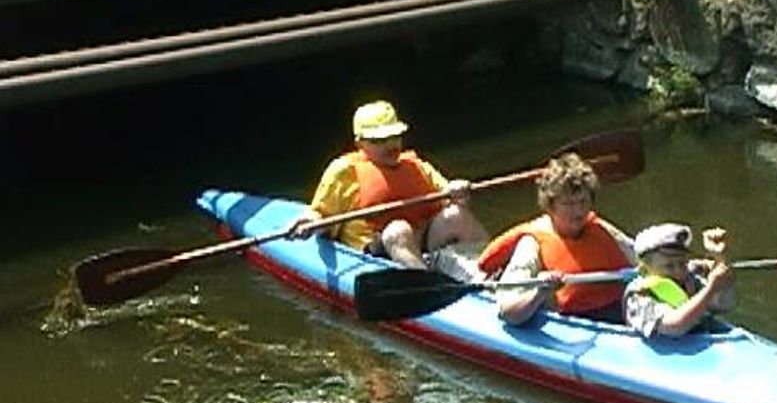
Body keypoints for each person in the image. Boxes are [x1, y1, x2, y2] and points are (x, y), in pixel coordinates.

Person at [289, 99, 487, 270]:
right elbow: (322, 215)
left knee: (456, 215)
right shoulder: (344, 171)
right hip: (378, 252)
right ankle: (427, 283)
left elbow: (451, 198)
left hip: (423, 243)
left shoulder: (416, 165)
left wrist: (458, 192)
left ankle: (489, 269)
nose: (390, 145)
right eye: (379, 141)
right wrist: (309, 222)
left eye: (394, 137)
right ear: (360, 144)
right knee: (398, 230)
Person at [477, 152, 635, 325]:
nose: (578, 212)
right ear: (550, 206)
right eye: (568, 204)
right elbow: (509, 312)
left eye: (583, 202)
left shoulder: (600, 228)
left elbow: (641, 259)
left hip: (619, 310)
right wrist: (540, 292)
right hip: (575, 322)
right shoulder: (533, 243)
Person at [623, 223, 735, 337]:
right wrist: (710, 289)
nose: (678, 271)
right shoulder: (640, 294)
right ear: (644, 269)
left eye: (682, 264)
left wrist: (719, 258)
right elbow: (674, 327)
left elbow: (722, 305)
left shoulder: (689, 280)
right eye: (669, 266)